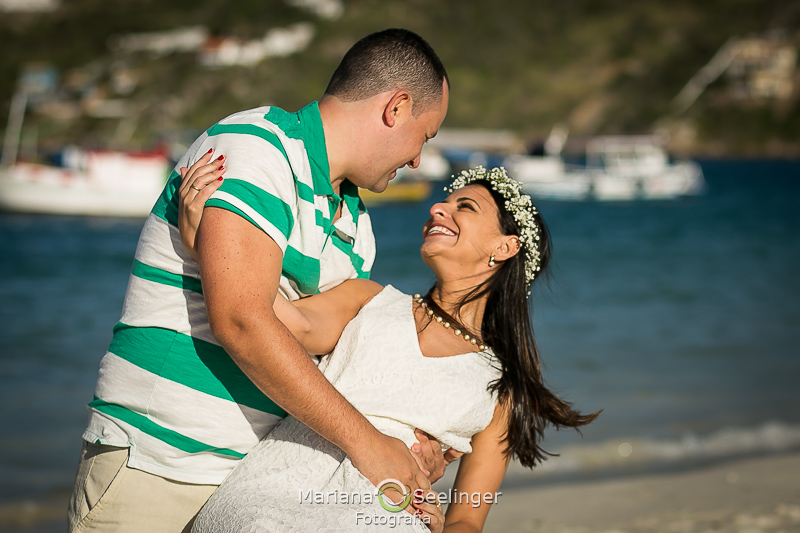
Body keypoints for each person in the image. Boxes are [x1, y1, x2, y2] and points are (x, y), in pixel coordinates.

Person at [68, 28, 451, 533]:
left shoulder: (357, 227)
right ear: (396, 108)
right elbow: (242, 321)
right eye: (424, 137)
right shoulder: (256, 148)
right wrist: (369, 446)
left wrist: (410, 437)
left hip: (253, 488)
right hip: (158, 461)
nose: (418, 159)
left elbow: (324, 356)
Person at [178, 163, 599, 532]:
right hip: (274, 490)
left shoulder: (502, 385)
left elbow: (469, 515)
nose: (437, 209)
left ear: (504, 247)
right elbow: (283, 320)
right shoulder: (369, 299)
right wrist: (207, 244)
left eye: (464, 207)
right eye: (444, 203)